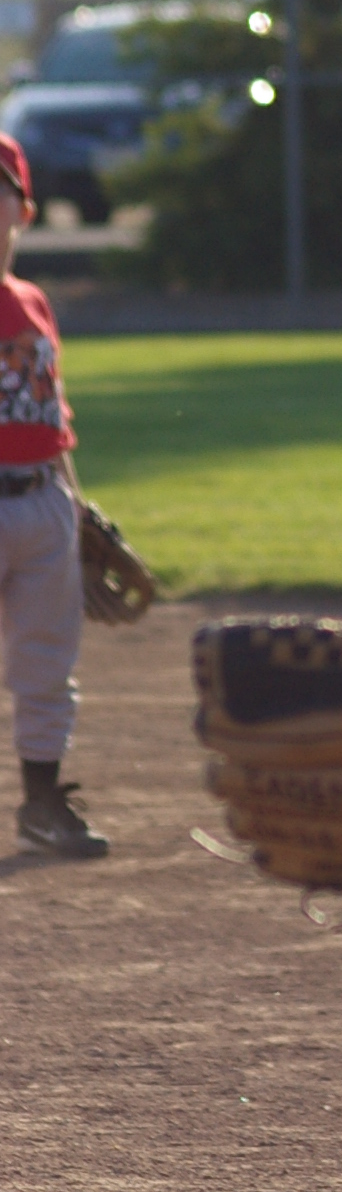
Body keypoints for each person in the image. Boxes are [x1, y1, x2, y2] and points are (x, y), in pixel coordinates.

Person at [0, 133, 106, 860]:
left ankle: (42, 806)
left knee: (47, 663)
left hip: (43, 501)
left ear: (24, 211)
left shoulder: (33, 302)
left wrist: (77, 506)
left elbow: (52, 416)